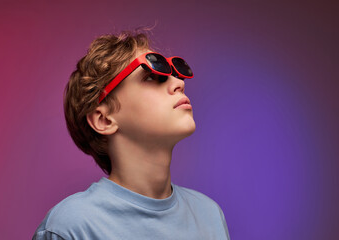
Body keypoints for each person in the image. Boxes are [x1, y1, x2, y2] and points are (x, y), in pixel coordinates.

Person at [32, 30, 230, 240]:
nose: (179, 84)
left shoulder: (209, 215)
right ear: (104, 120)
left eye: (176, 74)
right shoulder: (71, 227)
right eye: (151, 77)